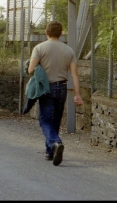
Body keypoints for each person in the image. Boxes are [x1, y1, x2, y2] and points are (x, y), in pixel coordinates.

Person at [28, 21, 83, 166]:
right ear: (61, 34)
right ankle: (50, 151)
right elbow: (75, 74)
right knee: (56, 120)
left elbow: (30, 70)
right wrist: (77, 94)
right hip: (62, 88)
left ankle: (56, 142)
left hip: (46, 88)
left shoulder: (39, 48)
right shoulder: (69, 50)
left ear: (46, 32)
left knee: (45, 120)